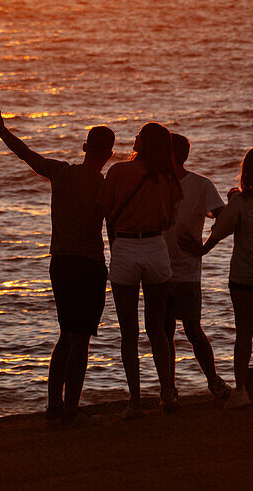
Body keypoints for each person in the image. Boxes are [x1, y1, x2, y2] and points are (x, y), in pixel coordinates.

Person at [0, 109, 115, 425]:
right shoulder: (106, 186)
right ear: (109, 154)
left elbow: (26, 154)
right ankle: (70, 409)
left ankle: (55, 407)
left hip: (61, 263)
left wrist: (2, 131)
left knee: (66, 335)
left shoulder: (61, 173)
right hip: (90, 265)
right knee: (80, 339)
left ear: (83, 147)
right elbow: (115, 225)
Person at [180, 145, 253, 409]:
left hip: (244, 276)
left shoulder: (239, 203)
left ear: (245, 172)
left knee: (244, 333)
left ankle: (242, 390)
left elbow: (218, 232)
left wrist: (199, 250)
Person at [97, 122, 183, 418]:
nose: (134, 138)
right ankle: (168, 394)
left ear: (144, 143)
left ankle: (135, 401)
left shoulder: (118, 172)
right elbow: (170, 219)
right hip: (156, 247)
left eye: (139, 135)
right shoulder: (168, 177)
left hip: (126, 247)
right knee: (157, 329)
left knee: (128, 331)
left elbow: (105, 210)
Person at [162, 133, 230, 403]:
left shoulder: (200, 185)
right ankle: (169, 389)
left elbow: (222, 217)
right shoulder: (158, 182)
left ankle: (212, 380)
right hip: (159, 268)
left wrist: (205, 246)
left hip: (186, 269)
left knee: (191, 328)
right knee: (166, 331)